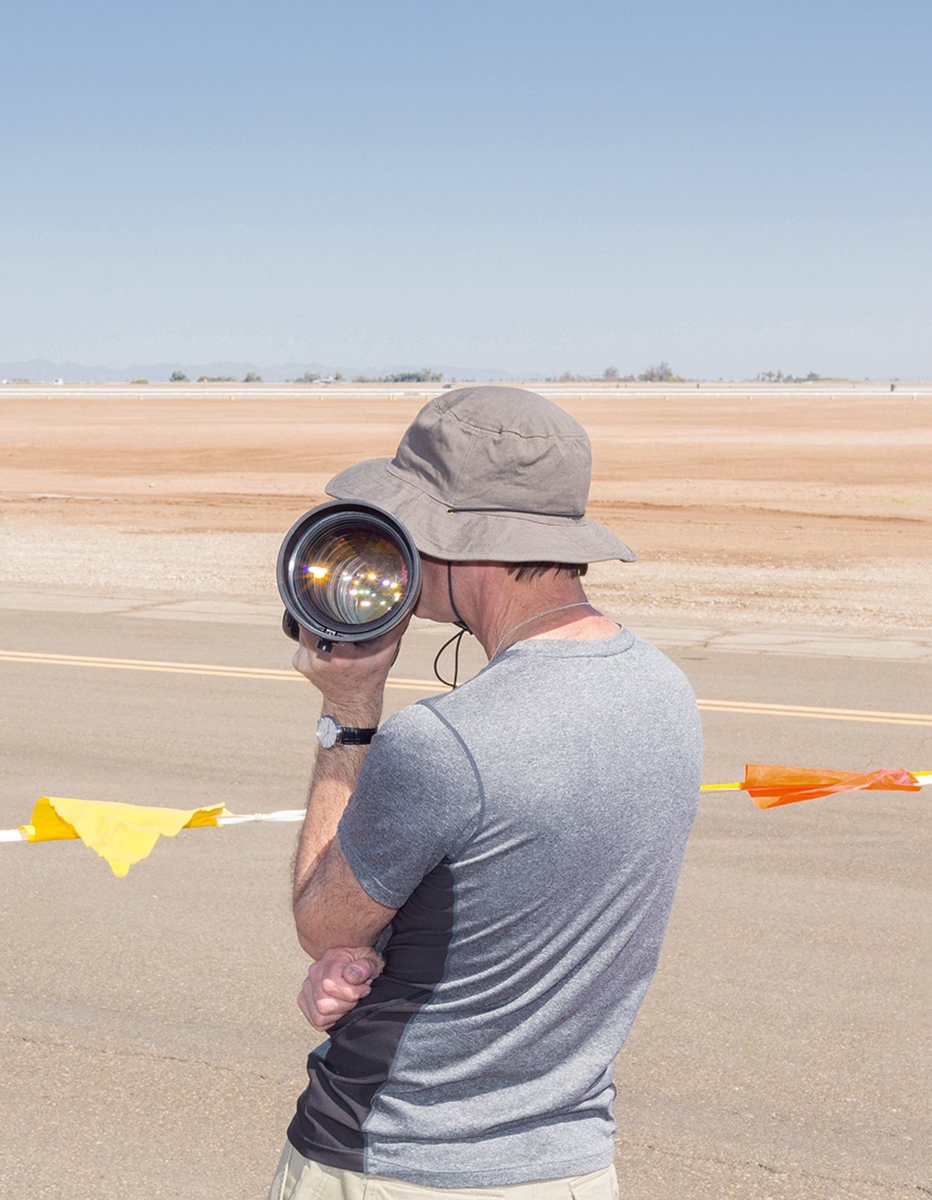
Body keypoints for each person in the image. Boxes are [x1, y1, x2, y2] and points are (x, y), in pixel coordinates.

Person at [269, 386, 702, 1199]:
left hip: (397, 1160)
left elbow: (321, 921)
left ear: (455, 538)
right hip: (566, 1164)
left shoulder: (443, 744)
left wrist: (349, 714)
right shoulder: (664, 691)